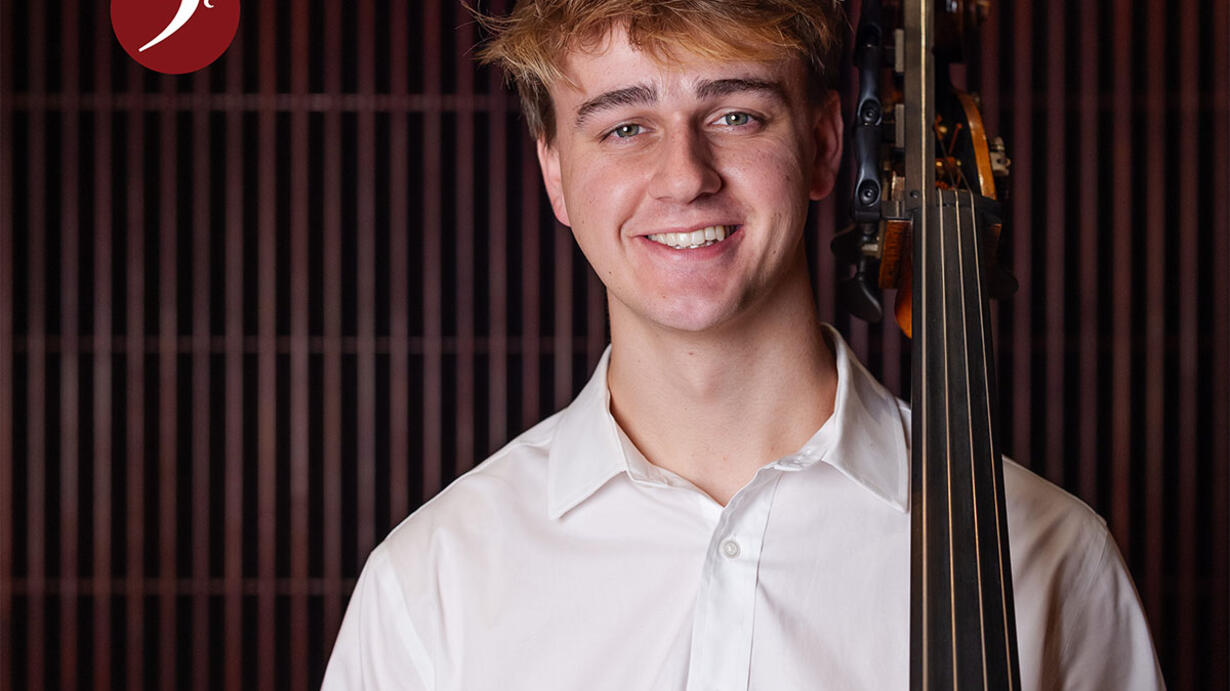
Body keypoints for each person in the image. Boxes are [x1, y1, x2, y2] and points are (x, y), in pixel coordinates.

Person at [323, 1, 1164, 688]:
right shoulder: (430, 586)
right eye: (625, 127)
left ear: (825, 145)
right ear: (554, 173)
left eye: (736, 115)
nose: (685, 177)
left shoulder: (1049, 556)